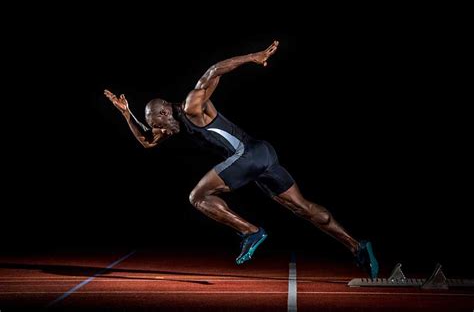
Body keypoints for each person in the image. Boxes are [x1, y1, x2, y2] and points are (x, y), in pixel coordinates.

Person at [104, 40, 379, 278]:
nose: (159, 131)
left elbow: (213, 71)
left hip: (249, 154)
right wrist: (127, 114)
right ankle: (357, 246)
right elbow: (147, 142)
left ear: (165, 112)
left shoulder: (191, 106)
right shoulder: (171, 125)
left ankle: (251, 232)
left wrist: (253, 57)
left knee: (198, 197)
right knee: (302, 208)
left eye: (157, 124)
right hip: (262, 156)